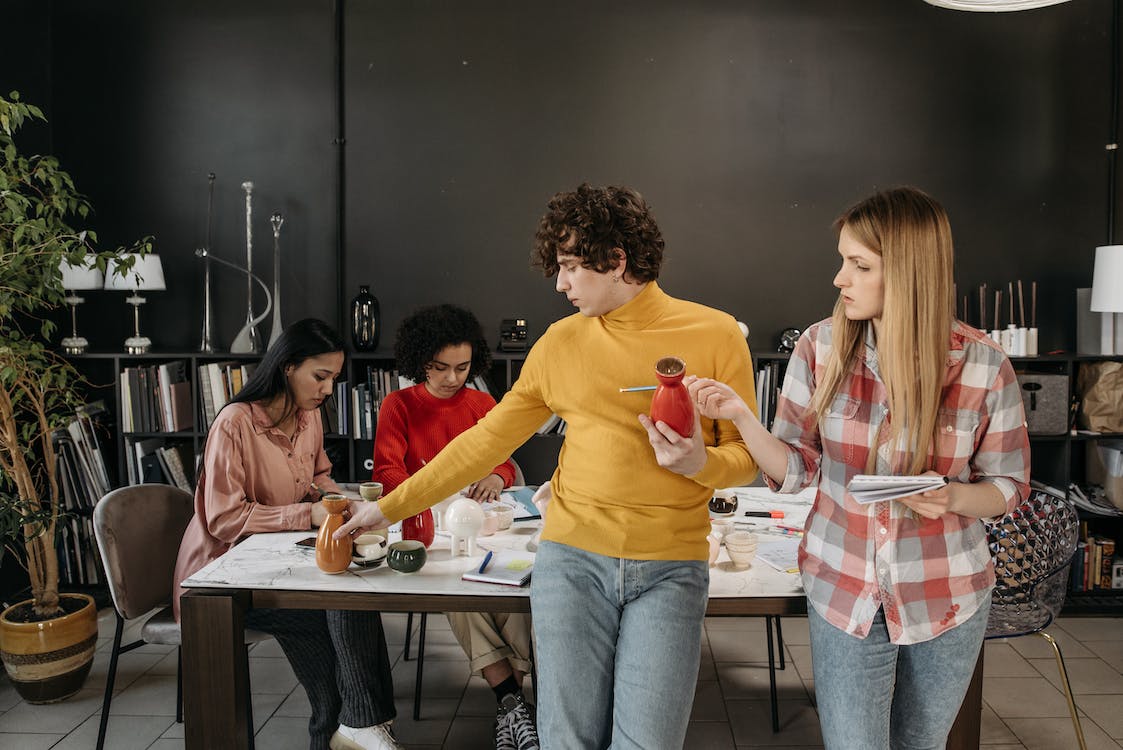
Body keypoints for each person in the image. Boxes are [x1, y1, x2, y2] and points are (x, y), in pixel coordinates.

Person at [336, 183, 759, 749]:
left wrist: (699, 462)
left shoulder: (715, 333)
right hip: (572, 563)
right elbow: (483, 443)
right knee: (568, 742)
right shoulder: (560, 342)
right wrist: (386, 510)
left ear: (615, 261)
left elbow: (746, 461)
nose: (559, 283)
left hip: (671, 568)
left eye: (568, 266)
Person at [686, 187, 1031, 750]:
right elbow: (796, 468)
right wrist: (743, 419)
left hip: (946, 591)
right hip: (843, 584)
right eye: (843, 260)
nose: (839, 278)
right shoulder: (820, 349)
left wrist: (952, 498)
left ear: (911, 272)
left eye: (859, 264)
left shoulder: (984, 365)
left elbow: (1009, 486)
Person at [173, 319, 400, 750]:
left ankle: (362, 727)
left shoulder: (308, 417)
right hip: (220, 582)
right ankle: (359, 727)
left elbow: (319, 478)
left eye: (334, 378)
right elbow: (222, 519)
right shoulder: (234, 424)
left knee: (355, 596)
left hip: (278, 564)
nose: (329, 389)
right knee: (334, 613)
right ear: (287, 367)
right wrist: (306, 515)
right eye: (321, 376)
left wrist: (341, 506)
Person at [372, 303, 538, 748]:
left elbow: (504, 462)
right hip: (426, 525)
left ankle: (510, 708)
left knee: (511, 589)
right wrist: (422, 499)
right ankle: (511, 702)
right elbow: (387, 472)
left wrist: (495, 476)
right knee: (457, 588)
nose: (452, 378)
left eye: (462, 367)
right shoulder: (398, 404)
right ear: (419, 362)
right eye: (440, 368)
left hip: (481, 521)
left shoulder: (483, 402)